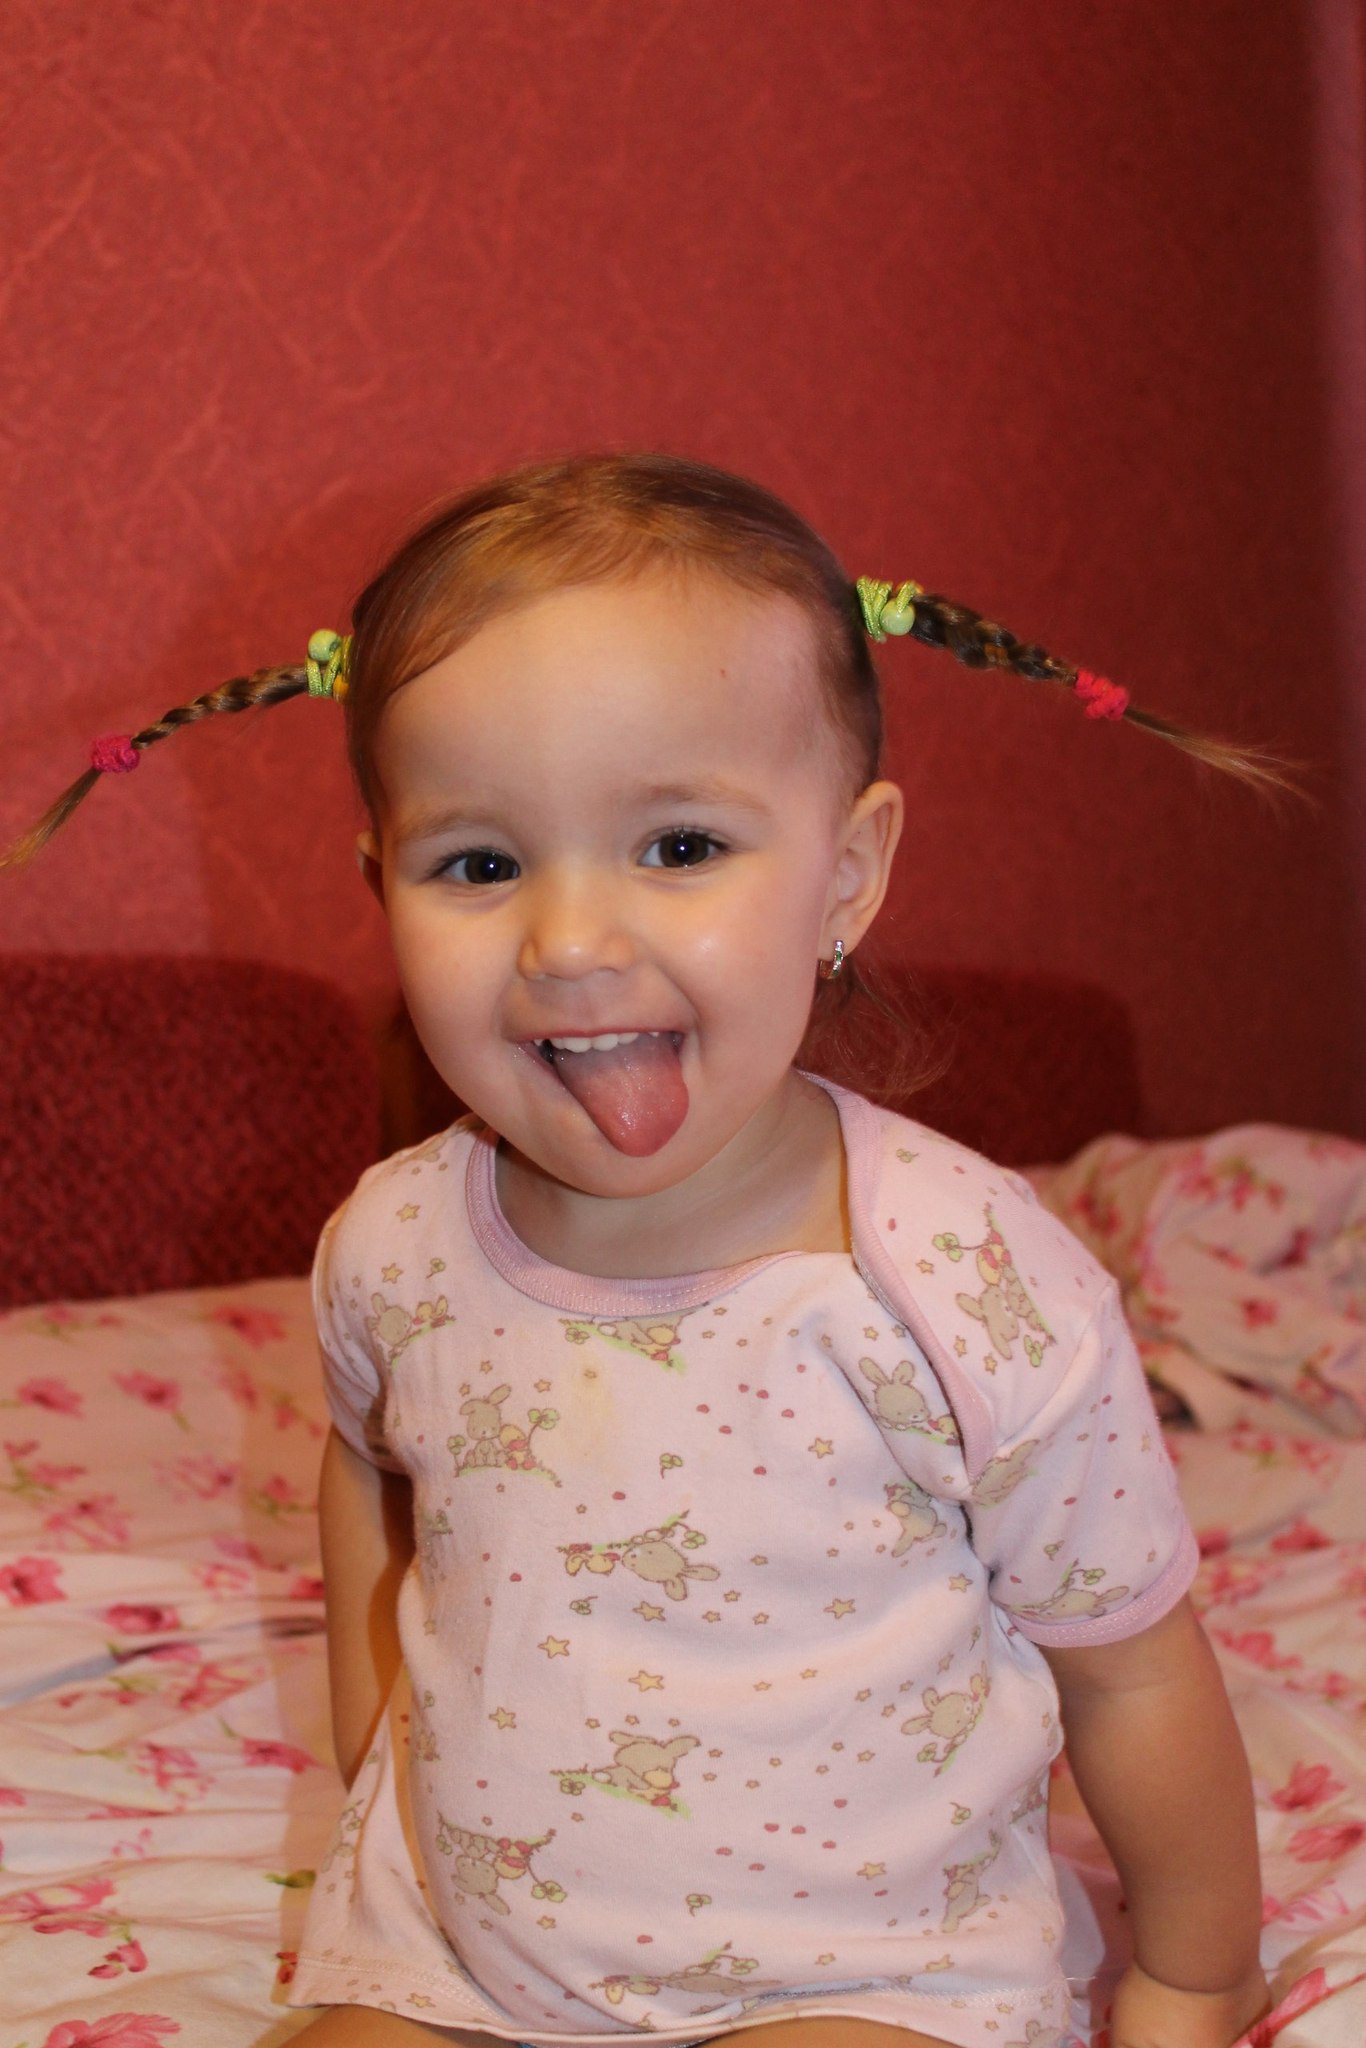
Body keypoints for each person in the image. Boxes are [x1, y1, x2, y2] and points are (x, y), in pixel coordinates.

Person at [4, 454, 1289, 2048]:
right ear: (382, 887)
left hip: (864, 1968)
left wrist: (1191, 1971)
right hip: (462, 1945)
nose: (568, 943)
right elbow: (366, 1460)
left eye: (677, 846)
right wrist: (374, 1750)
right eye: (479, 865)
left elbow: (1131, 1668)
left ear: (846, 875)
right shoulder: (393, 1243)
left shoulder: (965, 1283)